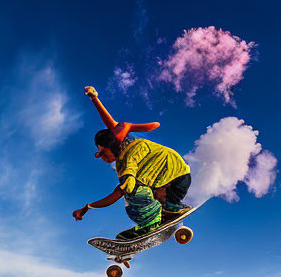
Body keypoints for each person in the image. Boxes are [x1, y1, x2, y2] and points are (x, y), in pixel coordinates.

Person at [72, 86, 192, 240]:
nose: (102, 158)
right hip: (174, 184)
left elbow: (110, 123)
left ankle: (151, 223)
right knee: (132, 188)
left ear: (110, 146)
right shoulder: (121, 163)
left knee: (132, 190)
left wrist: (94, 98)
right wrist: (88, 207)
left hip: (176, 179)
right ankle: (171, 208)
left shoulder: (131, 151)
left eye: (102, 153)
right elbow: (117, 192)